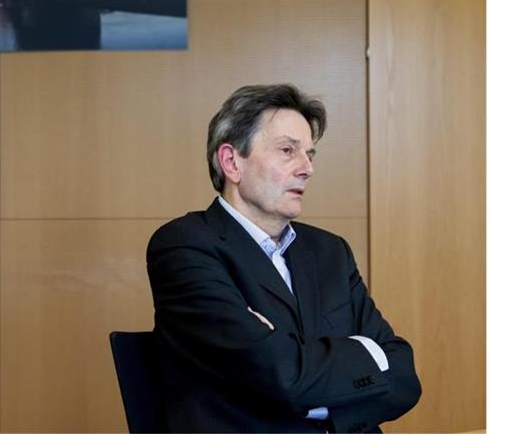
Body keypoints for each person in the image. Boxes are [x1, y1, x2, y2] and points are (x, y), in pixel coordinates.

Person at [147, 84, 421, 433]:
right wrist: (360, 357)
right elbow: (280, 375)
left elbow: (403, 376)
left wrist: (296, 367)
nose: (307, 168)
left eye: (310, 154)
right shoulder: (184, 246)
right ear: (232, 162)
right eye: (288, 150)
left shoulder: (330, 251)